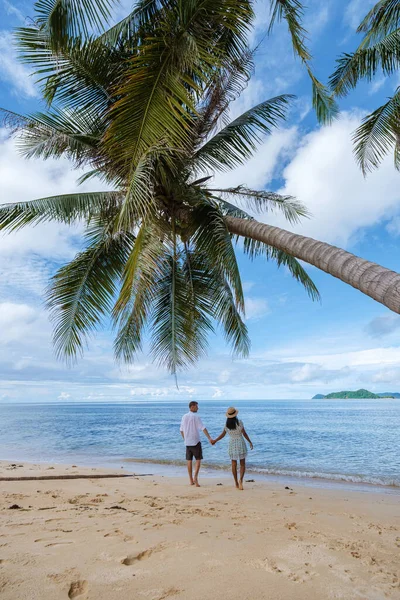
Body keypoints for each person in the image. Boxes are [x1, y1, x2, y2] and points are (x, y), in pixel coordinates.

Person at [212, 406, 253, 490]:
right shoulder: (239, 422)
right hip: (240, 443)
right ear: (235, 415)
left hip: (232, 444)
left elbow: (223, 434)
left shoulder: (227, 424)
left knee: (233, 464)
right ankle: (240, 480)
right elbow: (244, 433)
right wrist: (250, 441)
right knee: (242, 464)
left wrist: (215, 440)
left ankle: (236, 483)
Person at [180, 401, 213, 487]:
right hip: (195, 441)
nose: (198, 408)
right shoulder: (196, 417)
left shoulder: (184, 416)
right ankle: (195, 478)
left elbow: (181, 430)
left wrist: (185, 439)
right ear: (192, 407)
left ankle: (191, 480)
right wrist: (209, 438)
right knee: (198, 460)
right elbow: (203, 428)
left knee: (189, 460)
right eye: (197, 406)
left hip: (187, 442)